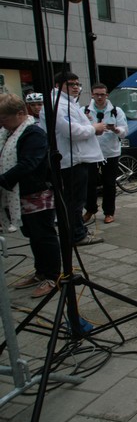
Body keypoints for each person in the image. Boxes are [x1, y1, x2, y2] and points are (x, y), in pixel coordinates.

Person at [0, 94, 62, 298]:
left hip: (37, 194)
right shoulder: (8, 133)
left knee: (44, 235)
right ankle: (40, 272)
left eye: (4, 118)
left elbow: (28, 164)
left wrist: (3, 179)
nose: (1, 123)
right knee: (33, 236)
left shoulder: (33, 133)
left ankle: (52, 276)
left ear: (20, 114)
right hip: (20, 195)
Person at [41, 71, 104, 246]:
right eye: (71, 84)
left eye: (77, 84)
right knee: (74, 201)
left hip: (77, 158)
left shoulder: (68, 103)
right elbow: (71, 131)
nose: (76, 87)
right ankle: (76, 235)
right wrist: (94, 128)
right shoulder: (58, 105)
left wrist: (89, 126)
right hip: (71, 160)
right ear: (58, 85)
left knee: (75, 199)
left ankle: (76, 230)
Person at [83, 83, 128, 225]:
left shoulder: (116, 111)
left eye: (102, 94)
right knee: (89, 183)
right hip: (91, 152)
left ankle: (109, 212)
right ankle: (90, 209)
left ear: (107, 95)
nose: (99, 97)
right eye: (96, 94)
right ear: (92, 95)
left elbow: (124, 132)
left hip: (110, 152)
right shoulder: (84, 110)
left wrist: (115, 129)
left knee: (109, 183)